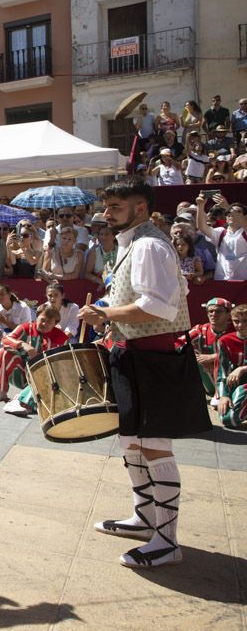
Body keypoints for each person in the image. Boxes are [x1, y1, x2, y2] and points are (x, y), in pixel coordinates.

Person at [79, 178, 211, 568]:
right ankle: (144, 518)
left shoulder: (150, 245)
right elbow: (134, 299)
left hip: (155, 359)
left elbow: (157, 307)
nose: (106, 214)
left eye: (115, 207)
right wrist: (107, 307)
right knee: (131, 441)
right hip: (132, 354)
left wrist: (105, 314)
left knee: (154, 445)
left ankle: (167, 541)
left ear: (139, 209)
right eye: (106, 206)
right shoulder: (131, 245)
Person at [0, 305, 69, 407]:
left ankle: (23, 400)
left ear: (55, 324)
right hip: (23, 374)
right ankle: (1, 391)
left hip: (47, 378)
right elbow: (6, 340)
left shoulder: (61, 338)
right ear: (37, 317)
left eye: (49, 322)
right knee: (3, 352)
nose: (44, 324)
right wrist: (23, 344)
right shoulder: (26, 328)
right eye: (42, 319)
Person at [178, 297, 232, 401]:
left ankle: (224, 394)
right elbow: (177, 345)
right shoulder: (200, 329)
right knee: (190, 352)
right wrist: (199, 359)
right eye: (210, 311)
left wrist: (214, 358)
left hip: (230, 377)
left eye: (219, 311)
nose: (213, 314)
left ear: (228, 314)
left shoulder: (237, 329)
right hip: (208, 378)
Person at [195, 192, 247, 280]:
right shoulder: (221, 232)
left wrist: (227, 207)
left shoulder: (244, 231)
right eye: (228, 213)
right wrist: (200, 205)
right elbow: (201, 227)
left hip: (243, 282)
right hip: (222, 280)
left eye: (238, 212)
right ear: (226, 218)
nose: (231, 214)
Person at [0, 283, 32, 368]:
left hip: (21, 339)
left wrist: (6, 322)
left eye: (2, 294)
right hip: (4, 339)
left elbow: (26, 332)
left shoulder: (23, 307)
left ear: (9, 294)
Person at [216, 304, 247, 429]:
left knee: (241, 391)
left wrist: (242, 368)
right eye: (236, 321)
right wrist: (224, 395)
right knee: (228, 419)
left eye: (245, 321)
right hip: (238, 385)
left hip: (242, 388)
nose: (240, 325)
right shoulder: (225, 341)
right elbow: (222, 371)